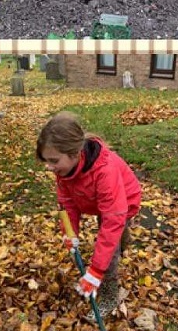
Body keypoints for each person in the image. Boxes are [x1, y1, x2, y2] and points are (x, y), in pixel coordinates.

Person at [36, 112, 142, 318]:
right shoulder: (64, 170)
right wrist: (70, 232)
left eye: (53, 160)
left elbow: (112, 221)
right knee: (113, 238)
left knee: (109, 247)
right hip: (94, 200)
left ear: (75, 154)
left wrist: (95, 272)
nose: (48, 167)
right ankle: (121, 240)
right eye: (46, 161)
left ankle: (110, 297)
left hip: (124, 202)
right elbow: (67, 204)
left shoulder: (105, 172)